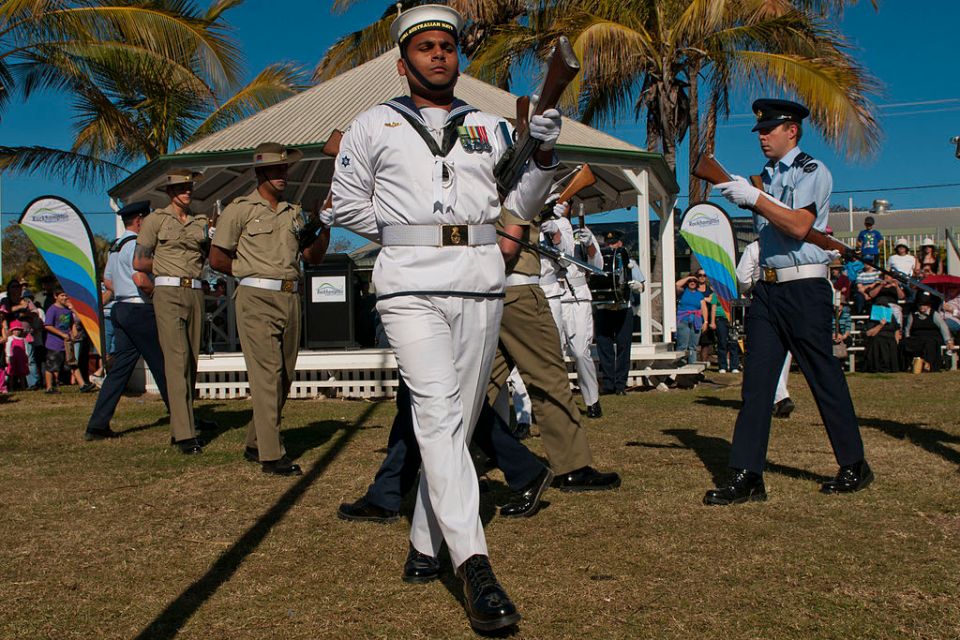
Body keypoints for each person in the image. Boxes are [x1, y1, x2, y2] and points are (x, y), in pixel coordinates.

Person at [329, 4, 559, 632]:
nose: (438, 55)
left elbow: (520, 204)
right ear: (403, 61)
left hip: (481, 281)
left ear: (459, 57)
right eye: (425, 46)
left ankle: (426, 542)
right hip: (408, 286)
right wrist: (410, 234)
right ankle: (474, 564)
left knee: (452, 424)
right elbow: (343, 205)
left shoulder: (489, 126)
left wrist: (541, 154)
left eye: (448, 47)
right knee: (435, 410)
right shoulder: (372, 124)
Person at [705, 98, 872, 505]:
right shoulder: (764, 177)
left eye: (769, 130)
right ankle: (747, 473)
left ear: (791, 131)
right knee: (757, 385)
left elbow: (799, 225)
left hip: (804, 288)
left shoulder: (811, 171)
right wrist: (750, 193)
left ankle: (854, 464)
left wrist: (754, 199)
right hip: (768, 287)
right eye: (760, 130)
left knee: (822, 377)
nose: (762, 136)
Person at [209, 142, 329, 476]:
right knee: (267, 375)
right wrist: (249, 271)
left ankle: (255, 441)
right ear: (261, 172)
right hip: (256, 298)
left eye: (284, 169)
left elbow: (312, 257)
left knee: (284, 378)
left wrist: (324, 225)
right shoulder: (240, 209)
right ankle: (272, 456)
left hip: (290, 297)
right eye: (275, 169)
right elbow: (217, 257)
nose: (282, 175)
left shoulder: (294, 212)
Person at [133, 168, 209, 454]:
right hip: (168, 290)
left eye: (188, 187)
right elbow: (140, 262)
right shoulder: (155, 220)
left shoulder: (199, 222)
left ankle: (185, 422)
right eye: (180, 188)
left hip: (196, 290)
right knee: (176, 361)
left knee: (190, 360)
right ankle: (184, 434)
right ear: (169, 192)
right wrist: (167, 267)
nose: (186, 191)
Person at [85, 202, 172, 441]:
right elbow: (141, 278)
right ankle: (183, 417)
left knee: (120, 369)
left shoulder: (116, 246)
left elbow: (108, 280)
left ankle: (97, 424)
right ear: (140, 221)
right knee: (163, 363)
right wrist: (156, 294)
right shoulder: (136, 245)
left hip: (121, 306)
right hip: (140, 308)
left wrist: (125, 289)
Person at [542, 200, 604, 417]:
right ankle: (560, 403)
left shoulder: (580, 232)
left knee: (580, 352)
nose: (561, 206)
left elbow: (597, 265)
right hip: (553, 293)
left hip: (577, 298)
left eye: (564, 202)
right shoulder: (542, 225)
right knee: (553, 352)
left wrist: (589, 244)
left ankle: (592, 400)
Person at [594, 230, 644, 394]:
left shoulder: (630, 262)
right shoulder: (598, 262)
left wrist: (636, 286)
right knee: (604, 347)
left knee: (624, 347)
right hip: (603, 308)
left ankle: (621, 385)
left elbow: (641, 286)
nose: (611, 246)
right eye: (608, 243)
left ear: (620, 244)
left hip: (623, 309)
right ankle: (608, 384)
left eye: (614, 242)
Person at [902, 292, 955, 372]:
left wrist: (948, 341)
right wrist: (907, 339)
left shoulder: (934, 314)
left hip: (932, 337)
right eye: (920, 304)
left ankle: (929, 365)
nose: (922, 307)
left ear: (928, 305)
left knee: (928, 343)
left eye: (924, 304)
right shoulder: (912, 315)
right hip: (917, 338)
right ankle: (908, 365)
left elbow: (943, 327)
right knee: (904, 343)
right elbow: (907, 329)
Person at [42, 290, 74, 393]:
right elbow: (47, 325)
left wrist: (72, 333)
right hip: (54, 342)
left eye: (66, 295)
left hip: (65, 343)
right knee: (51, 366)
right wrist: (61, 334)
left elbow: (71, 323)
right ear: (55, 296)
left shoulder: (67, 310)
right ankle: (49, 387)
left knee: (68, 365)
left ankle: (57, 384)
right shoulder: (52, 309)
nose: (64, 297)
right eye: (62, 295)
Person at [675, 274, 708, 366]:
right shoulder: (682, 292)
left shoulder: (699, 294)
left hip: (696, 320)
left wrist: (705, 322)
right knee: (682, 345)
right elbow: (677, 285)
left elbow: (704, 307)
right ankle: (680, 366)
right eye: (690, 281)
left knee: (693, 346)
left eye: (694, 281)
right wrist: (689, 277)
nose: (692, 282)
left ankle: (692, 367)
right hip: (683, 320)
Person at [709, 291, 740, 373]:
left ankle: (734, 366)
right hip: (720, 319)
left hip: (733, 319)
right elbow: (713, 307)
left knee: (734, 342)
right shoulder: (717, 293)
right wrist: (712, 321)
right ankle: (722, 366)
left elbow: (738, 306)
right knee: (722, 342)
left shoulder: (733, 292)